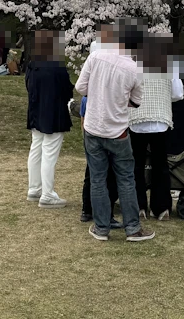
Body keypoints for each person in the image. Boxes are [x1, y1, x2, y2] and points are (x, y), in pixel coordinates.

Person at [75, 21, 155, 242]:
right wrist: (118, 99)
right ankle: (133, 228)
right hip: (118, 130)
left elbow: (81, 88)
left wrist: (98, 93)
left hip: (92, 127)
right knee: (126, 178)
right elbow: (137, 101)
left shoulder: (96, 57)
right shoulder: (134, 69)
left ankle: (101, 228)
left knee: (98, 179)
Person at [129, 33, 182, 220]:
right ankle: (162, 208)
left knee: (137, 164)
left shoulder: (132, 60)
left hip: (137, 118)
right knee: (161, 164)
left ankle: (139, 206)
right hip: (160, 118)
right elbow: (177, 93)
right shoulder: (169, 61)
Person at [24, 30, 73, 207]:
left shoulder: (32, 65)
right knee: (49, 153)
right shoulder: (57, 67)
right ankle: (47, 193)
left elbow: (27, 86)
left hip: (36, 112)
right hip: (54, 114)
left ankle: (34, 187)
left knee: (36, 148)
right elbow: (68, 90)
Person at [80, 23, 119, 225]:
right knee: (109, 171)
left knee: (93, 170)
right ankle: (106, 213)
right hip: (109, 118)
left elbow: (81, 86)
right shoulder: (111, 55)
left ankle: (87, 209)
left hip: (92, 117)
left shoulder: (95, 51)